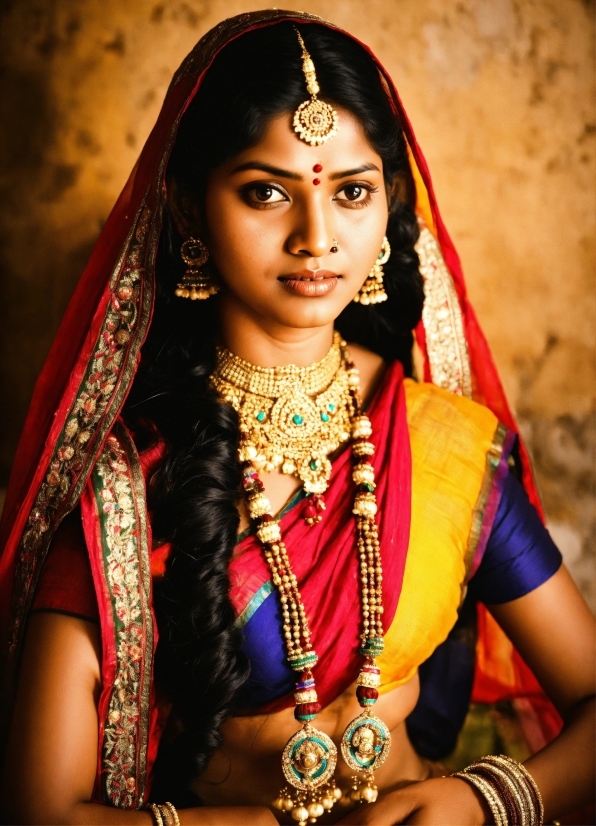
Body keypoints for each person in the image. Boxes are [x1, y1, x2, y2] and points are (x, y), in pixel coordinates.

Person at [0, 10, 594, 826]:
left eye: (352, 191)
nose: (317, 237)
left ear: (389, 204)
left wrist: (482, 801)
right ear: (187, 205)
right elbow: (39, 811)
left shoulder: (446, 442)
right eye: (267, 192)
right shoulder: (124, 489)